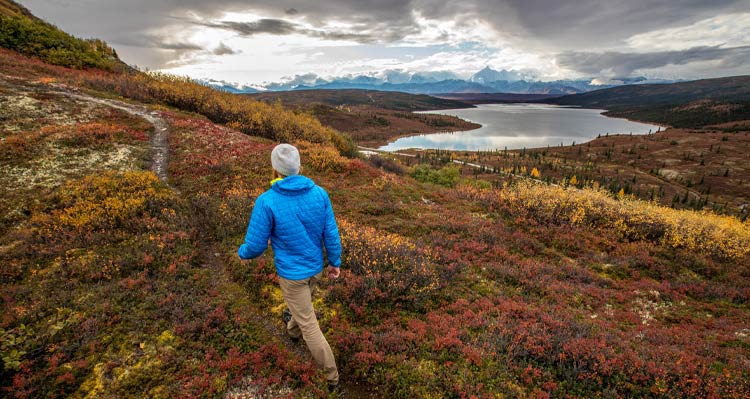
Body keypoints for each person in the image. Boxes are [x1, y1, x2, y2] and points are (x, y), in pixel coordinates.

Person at [238, 143, 342, 390]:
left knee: (310, 326)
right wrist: (334, 262)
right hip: (315, 269)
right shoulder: (320, 193)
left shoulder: (267, 201)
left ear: (274, 169)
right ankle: (292, 329)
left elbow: (254, 244)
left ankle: (332, 377)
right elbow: (331, 233)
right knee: (302, 310)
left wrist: (243, 254)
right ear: (299, 167)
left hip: (292, 275)